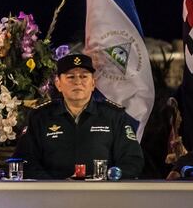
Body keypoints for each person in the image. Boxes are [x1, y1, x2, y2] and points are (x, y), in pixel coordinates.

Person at [13, 54, 144, 179]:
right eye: (71, 77)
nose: (77, 82)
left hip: (102, 195)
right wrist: (54, 185)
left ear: (93, 83)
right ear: (58, 84)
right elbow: (25, 161)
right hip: (53, 197)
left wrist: (110, 179)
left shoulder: (114, 116)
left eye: (84, 76)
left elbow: (132, 160)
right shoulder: (40, 117)